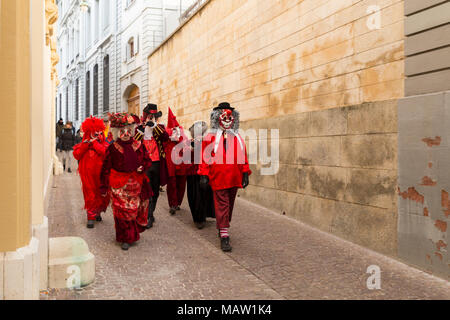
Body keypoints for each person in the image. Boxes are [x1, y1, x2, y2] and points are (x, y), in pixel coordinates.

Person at [198, 102, 251, 252]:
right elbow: (205, 157)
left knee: (230, 204)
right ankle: (224, 234)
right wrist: (203, 174)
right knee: (223, 204)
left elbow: (242, 155)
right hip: (219, 176)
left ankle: (223, 226)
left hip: (234, 176)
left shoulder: (237, 138)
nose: (227, 119)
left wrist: (245, 172)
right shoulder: (210, 137)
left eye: (230, 117)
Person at [100, 113, 152, 251]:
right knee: (121, 212)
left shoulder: (139, 145)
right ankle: (125, 238)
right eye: (122, 132)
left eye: (128, 131)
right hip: (118, 185)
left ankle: (131, 235)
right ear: (117, 132)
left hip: (136, 184)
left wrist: (143, 167)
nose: (126, 134)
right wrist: (103, 187)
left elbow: (147, 160)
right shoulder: (112, 148)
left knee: (133, 211)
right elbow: (105, 168)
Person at [73, 117, 110, 228]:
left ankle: (97, 212)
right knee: (89, 193)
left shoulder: (103, 143)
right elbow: (77, 155)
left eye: (98, 132)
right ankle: (90, 216)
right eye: (94, 133)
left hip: (101, 173)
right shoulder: (84, 143)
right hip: (87, 173)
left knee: (101, 192)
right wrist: (86, 145)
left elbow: (106, 153)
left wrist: (95, 144)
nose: (97, 134)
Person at [136, 104, 169, 229]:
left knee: (155, 191)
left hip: (157, 163)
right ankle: (148, 216)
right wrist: (144, 129)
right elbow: (135, 141)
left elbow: (165, 138)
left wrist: (155, 127)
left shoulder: (159, 128)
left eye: (153, 116)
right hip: (145, 164)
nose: (151, 118)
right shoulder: (139, 128)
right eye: (149, 116)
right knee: (146, 190)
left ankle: (150, 213)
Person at [186, 121, 215, 229]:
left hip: (203, 173)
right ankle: (197, 218)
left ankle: (201, 217)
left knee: (202, 196)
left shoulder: (206, 141)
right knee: (193, 197)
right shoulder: (189, 143)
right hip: (192, 173)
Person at [165, 108, 189, 215]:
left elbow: (187, 146)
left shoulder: (182, 134)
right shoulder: (167, 136)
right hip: (171, 164)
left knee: (181, 183)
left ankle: (178, 202)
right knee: (172, 184)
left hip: (181, 163)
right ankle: (172, 204)